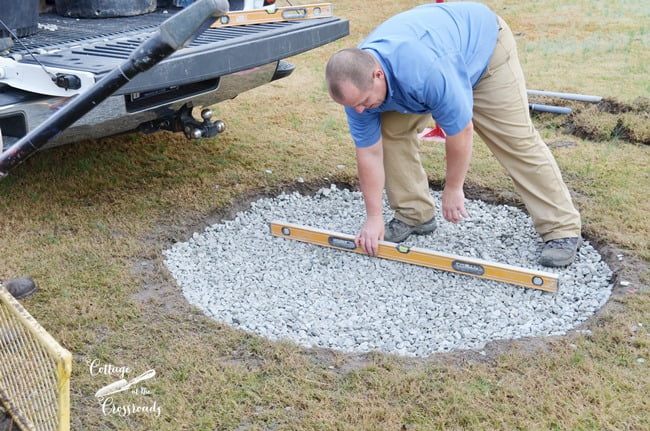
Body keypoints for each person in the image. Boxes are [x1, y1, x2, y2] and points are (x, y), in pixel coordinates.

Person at [325, 1, 582, 267]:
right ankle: (414, 213)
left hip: (483, 53)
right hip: (430, 62)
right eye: (353, 105)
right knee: (389, 133)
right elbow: (369, 152)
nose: (359, 110)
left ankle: (562, 229)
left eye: (364, 101)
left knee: (515, 141)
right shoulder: (358, 91)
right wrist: (373, 217)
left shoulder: (425, 71)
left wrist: (453, 188)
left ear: (377, 75)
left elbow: (460, 131)